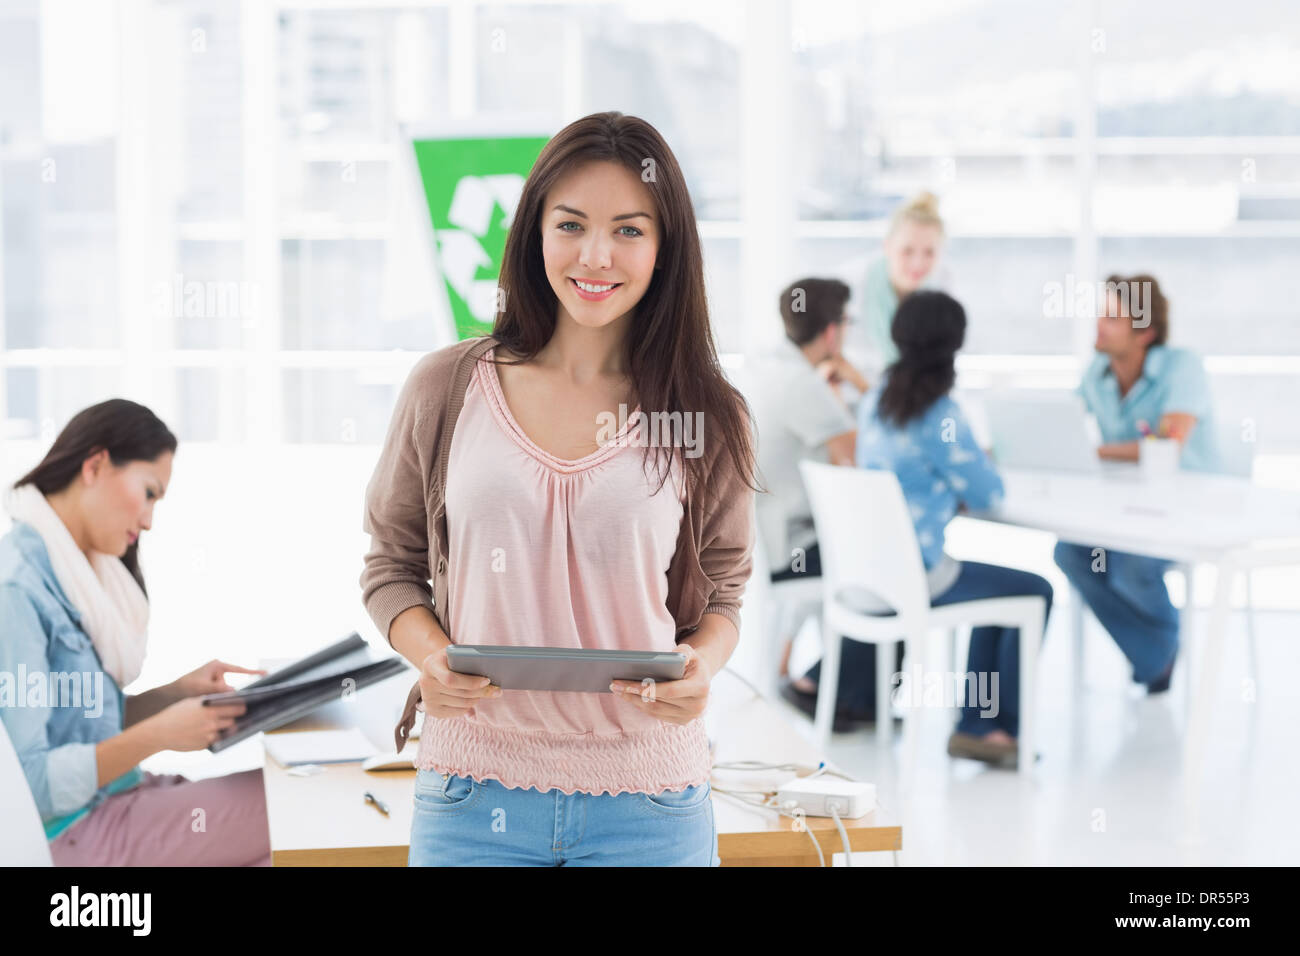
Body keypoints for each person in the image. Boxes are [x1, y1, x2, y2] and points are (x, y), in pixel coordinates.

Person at [360, 111, 757, 867]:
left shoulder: (703, 412)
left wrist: (702, 665)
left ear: (667, 246)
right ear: (533, 233)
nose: (596, 255)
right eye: (570, 225)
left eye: (630, 230)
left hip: (649, 799)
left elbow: (726, 593)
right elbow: (391, 565)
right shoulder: (448, 387)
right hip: (473, 794)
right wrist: (432, 656)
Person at [0, 399, 271, 865]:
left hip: (118, 799)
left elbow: (80, 725)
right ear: (96, 465)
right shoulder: (19, 589)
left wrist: (174, 695)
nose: (148, 520)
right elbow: (30, 783)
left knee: (282, 829)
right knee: (285, 811)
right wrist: (160, 734)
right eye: (148, 493)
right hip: (73, 832)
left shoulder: (79, 573)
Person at [791, 291, 1054, 765]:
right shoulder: (939, 414)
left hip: (865, 575)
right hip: (914, 577)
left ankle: (982, 724)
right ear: (954, 344)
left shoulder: (876, 402)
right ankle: (987, 728)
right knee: (1033, 590)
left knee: (1002, 593)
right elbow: (989, 494)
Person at [1054, 275, 1219, 694]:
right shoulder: (1098, 370)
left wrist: (1096, 453)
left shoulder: (1182, 366)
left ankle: (1154, 652)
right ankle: (1157, 653)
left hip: (1190, 506)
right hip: (1126, 506)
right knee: (1072, 553)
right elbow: (1065, 424)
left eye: (1112, 318)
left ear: (1144, 332)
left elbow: (1168, 442)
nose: (1099, 325)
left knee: (1130, 566)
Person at [744, 277, 890, 730]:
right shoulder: (802, 385)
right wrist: (861, 382)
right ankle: (845, 693)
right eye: (846, 323)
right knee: (898, 569)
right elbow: (861, 456)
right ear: (831, 331)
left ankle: (827, 684)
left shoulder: (766, 370)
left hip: (767, 537)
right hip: (795, 548)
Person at [846, 191, 948, 378]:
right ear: (887, 247)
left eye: (929, 253)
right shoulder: (854, 286)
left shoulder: (942, 288)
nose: (918, 263)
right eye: (907, 251)